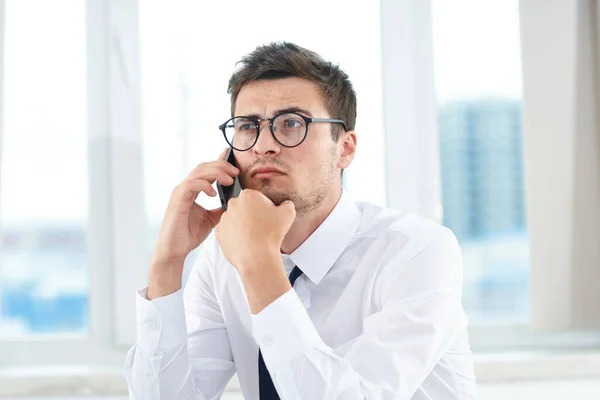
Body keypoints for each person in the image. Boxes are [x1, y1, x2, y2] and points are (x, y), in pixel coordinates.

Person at [124, 42, 476, 400]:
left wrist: (260, 267)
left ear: (346, 148)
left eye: (291, 123)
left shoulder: (419, 252)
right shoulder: (223, 258)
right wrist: (166, 266)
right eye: (247, 126)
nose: (263, 145)